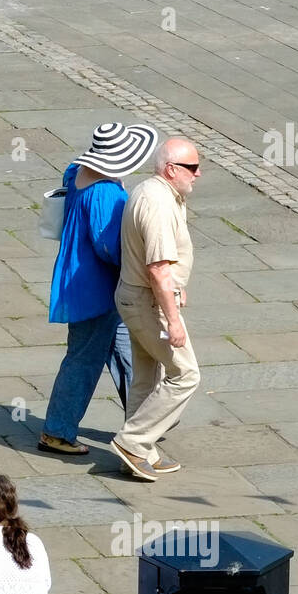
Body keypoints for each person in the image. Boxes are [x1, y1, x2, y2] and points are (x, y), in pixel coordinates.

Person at [41, 121, 158, 455]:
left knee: (126, 350)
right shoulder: (106, 194)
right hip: (98, 287)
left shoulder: (76, 171)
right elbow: (110, 246)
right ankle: (57, 430)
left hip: (82, 279)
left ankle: (147, 418)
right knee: (84, 358)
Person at [110, 137, 203, 482]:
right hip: (147, 303)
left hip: (139, 299)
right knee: (186, 374)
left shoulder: (156, 192)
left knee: (147, 377)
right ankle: (133, 441)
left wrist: (177, 290)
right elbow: (158, 270)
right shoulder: (159, 204)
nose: (198, 174)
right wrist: (174, 320)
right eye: (192, 168)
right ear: (171, 169)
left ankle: (139, 453)